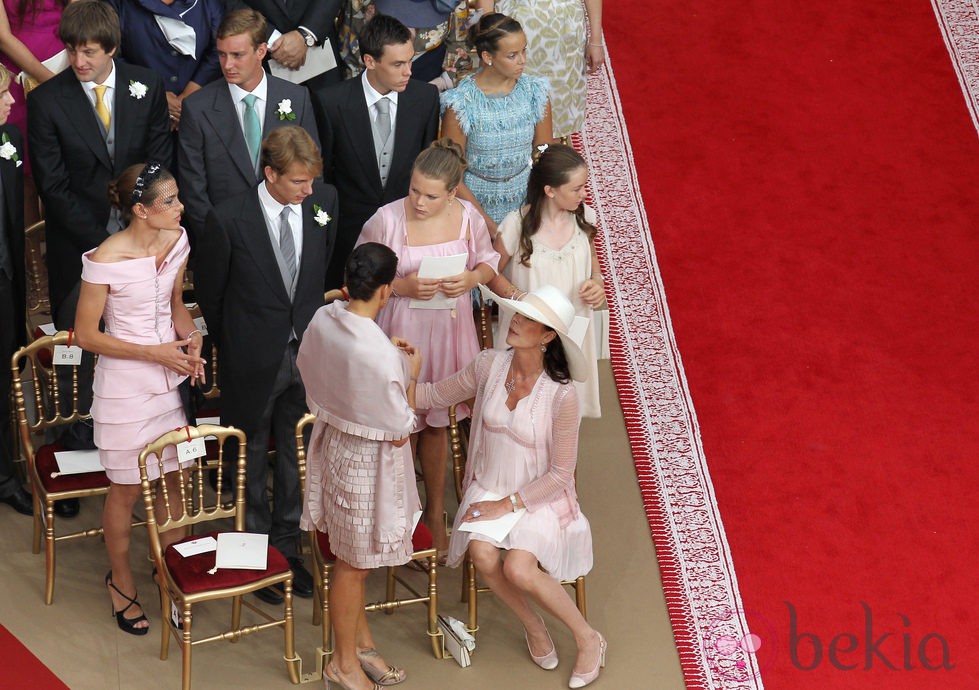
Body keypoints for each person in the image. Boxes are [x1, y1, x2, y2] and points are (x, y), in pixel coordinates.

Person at [416, 284, 606, 688]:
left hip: (539, 496)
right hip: (489, 486)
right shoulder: (488, 365)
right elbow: (435, 394)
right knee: (484, 556)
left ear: (548, 337)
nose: (514, 323)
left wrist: (510, 504)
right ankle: (534, 626)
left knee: (518, 568)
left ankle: (588, 638)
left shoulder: (562, 395)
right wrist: (390, 383)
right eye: (515, 315)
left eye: (525, 320)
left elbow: (561, 473)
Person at [195, 125, 338, 606]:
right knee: (251, 453)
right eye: (298, 181)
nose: (309, 190)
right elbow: (213, 296)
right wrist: (235, 347)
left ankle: (287, 548)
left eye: (312, 180)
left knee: (299, 453)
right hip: (251, 357)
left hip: (308, 353)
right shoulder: (228, 217)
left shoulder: (323, 206)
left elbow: (320, 274)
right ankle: (254, 550)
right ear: (270, 173)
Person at [73, 162, 205, 635]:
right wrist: (154, 353)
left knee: (174, 480)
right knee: (127, 488)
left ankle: (171, 574)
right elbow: (87, 335)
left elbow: (175, 308)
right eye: (169, 201)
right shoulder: (105, 258)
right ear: (140, 210)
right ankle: (121, 579)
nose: (180, 206)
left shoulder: (178, 240)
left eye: (177, 196)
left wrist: (193, 339)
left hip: (167, 383)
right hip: (125, 388)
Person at [357, 138, 498, 554]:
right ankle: (402, 517)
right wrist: (402, 286)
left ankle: (436, 512)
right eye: (414, 190)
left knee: (439, 425)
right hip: (402, 333)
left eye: (431, 195)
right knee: (404, 429)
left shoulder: (468, 217)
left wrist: (472, 280)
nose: (419, 201)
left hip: (451, 333)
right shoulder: (386, 219)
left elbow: (490, 260)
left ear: (453, 192)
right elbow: (362, 279)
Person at [298, 242, 421, 690]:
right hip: (368, 466)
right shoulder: (383, 356)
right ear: (386, 291)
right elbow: (401, 427)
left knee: (356, 561)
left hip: (333, 445)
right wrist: (412, 372)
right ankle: (342, 665)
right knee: (353, 565)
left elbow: (312, 367)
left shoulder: (323, 316)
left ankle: (363, 646)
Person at [28, 0, 172, 339]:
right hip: (79, 250)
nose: (78, 62)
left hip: (144, 240)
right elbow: (53, 187)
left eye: (89, 52)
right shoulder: (46, 101)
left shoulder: (148, 85)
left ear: (111, 48)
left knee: (145, 338)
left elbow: (159, 164)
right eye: (72, 51)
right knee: (79, 355)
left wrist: (137, 231)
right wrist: (106, 244)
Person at [311, 12, 438, 289]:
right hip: (348, 237)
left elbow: (427, 170)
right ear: (370, 61)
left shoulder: (425, 98)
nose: (409, 72)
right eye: (398, 64)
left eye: (409, 61)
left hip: (407, 234)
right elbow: (323, 175)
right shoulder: (331, 103)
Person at [178, 7, 320, 245]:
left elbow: (313, 170)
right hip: (225, 238)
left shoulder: (297, 99)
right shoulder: (197, 108)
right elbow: (193, 188)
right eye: (222, 54)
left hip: (286, 234)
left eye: (237, 55)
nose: (227, 64)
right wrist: (218, 240)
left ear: (261, 51)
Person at [488, 144, 604, 417]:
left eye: (584, 186)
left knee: (565, 420)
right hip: (531, 334)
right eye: (576, 189)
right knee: (526, 415)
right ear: (550, 190)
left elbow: (593, 264)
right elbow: (490, 274)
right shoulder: (517, 224)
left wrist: (597, 284)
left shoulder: (584, 217)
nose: (584, 194)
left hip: (572, 330)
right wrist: (523, 300)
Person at [440, 12, 552, 237]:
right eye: (512, 55)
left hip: (526, 202)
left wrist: (537, 207)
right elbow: (451, 173)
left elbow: (544, 150)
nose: (522, 60)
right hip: (472, 205)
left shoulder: (536, 92)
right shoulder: (461, 103)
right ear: (487, 57)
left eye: (524, 50)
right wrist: (486, 223)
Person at [480, 0, 604, 138]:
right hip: (514, 28)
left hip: (564, 31)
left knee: (556, 120)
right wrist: (485, 39)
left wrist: (596, 40)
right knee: (510, 112)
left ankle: (551, 155)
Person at [109, 0, 226, 135]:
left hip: (199, 109)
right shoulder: (119, 5)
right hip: (141, 111)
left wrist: (188, 97)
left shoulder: (209, 4)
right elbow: (112, 54)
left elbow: (218, 50)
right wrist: (155, 93)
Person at [0, 0, 68, 224]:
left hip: (69, 65)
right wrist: (50, 80)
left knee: (70, 164)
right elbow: (3, 36)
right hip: (17, 81)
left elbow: (79, 11)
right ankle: (32, 257)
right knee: (23, 171)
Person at [0, 64, 32, 517]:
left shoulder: (10, 142)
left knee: (4, 380)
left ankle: (6, 474)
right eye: (2, 96)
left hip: (5, 282)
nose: (11, 102)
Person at [237, 0, 342, 89]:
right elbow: (233, 4)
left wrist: (305, 35)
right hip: (267, 61)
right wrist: (274, 40)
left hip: (323, 54)